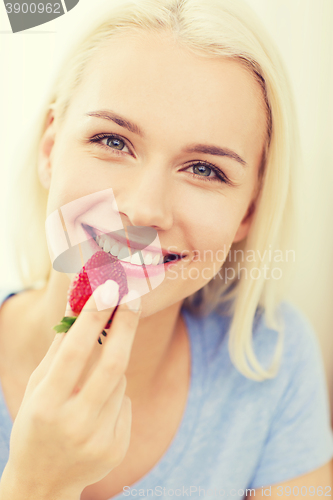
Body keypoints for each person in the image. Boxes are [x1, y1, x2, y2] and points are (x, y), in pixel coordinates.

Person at [0, 0, 332, 498]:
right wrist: (37, 486)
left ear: (248, 212)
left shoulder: (274, 359)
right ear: (51, 149)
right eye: (113, 141)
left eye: (205, 169)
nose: (144, 209)